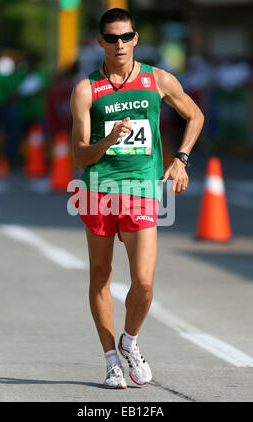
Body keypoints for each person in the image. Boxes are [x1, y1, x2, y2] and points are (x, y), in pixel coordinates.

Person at [70, 8, 204, 389]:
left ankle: (130, 341)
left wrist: (180, 160)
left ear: (136, 38)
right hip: (99, 191)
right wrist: (107, 141)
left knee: (143, 282)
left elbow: (195, 116)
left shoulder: (156, 79)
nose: (120, 44)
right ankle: (111, 359)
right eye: (111, 38)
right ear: (100, 42)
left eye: (126, 36)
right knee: (101, 275)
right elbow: (78, 154)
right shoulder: (86, 90)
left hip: (141, 191)